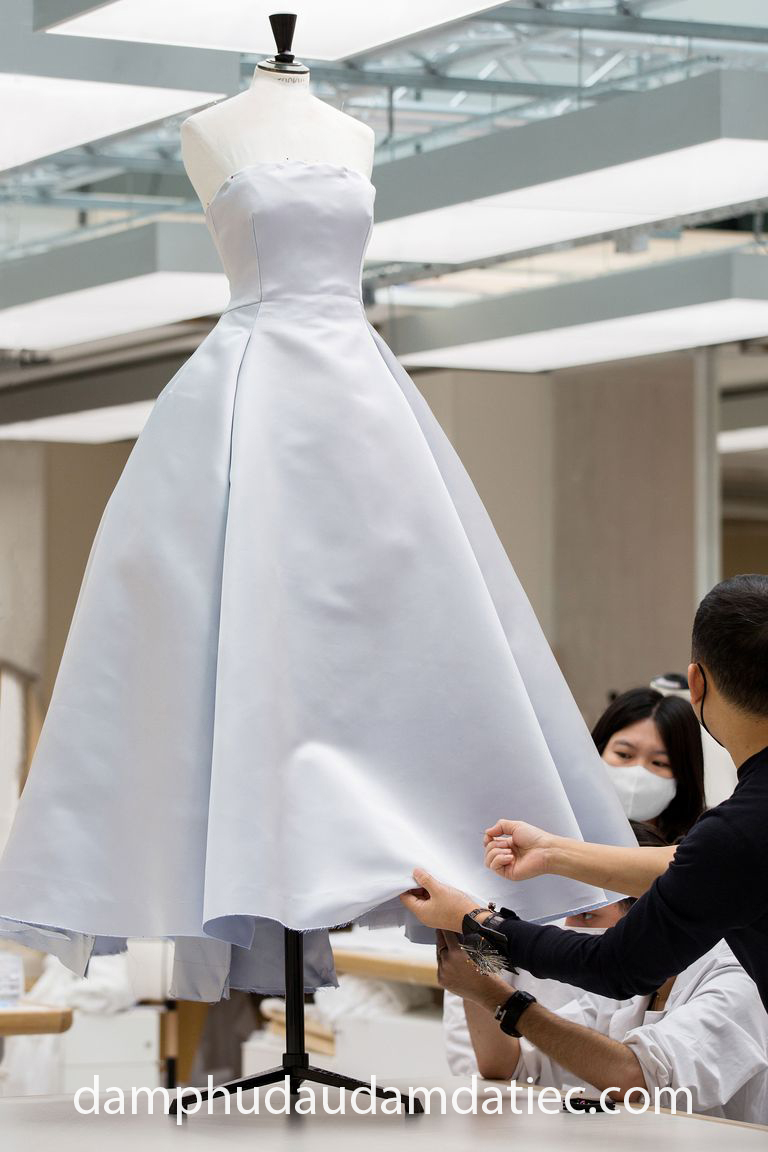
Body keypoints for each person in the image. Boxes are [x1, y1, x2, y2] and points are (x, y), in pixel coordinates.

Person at [400, 574, 768, 1015]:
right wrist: (554, 853)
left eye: (659, 761)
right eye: (623, 753)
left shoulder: (736, 834)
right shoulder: (737, 836)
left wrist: (473, 922)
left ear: (696, 682)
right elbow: (696, 866)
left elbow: (614, 966)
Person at [592, 687, 704, 842]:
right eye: (624, 754)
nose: (638, 773)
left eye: (659, 763)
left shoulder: (699, 846)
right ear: (598, 750)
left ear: (684, 775)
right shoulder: (565, 831)